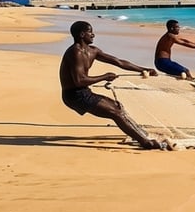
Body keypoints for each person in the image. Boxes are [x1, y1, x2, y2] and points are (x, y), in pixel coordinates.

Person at [59, 20, 164, 150]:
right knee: (116, 113)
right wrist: (105, 77)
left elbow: (118, 62)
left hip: (84, 91)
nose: (93, 35)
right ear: (81, 34)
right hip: (74, 96)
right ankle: (145, 142)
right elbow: (79, 80)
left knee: (118, 107)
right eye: (90, 32)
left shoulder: (93, 51)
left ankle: (139, 134)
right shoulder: (75, 52)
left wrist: (143, 69)